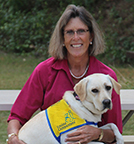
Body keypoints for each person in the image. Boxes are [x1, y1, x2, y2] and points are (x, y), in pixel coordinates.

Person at [7, 4, 122, 144]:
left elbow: (115, 135)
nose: (75, 37)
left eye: (81, 31)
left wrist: (97, 133)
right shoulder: (44, 71)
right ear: (62, 38)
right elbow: (17, 116)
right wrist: (13, 138)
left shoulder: (106, 77)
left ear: (91, 36)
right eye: (69, 32)